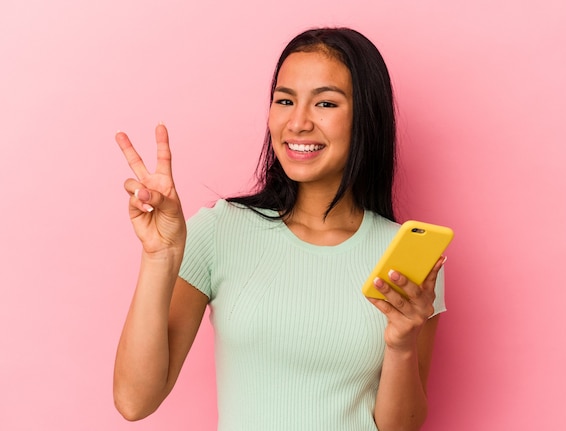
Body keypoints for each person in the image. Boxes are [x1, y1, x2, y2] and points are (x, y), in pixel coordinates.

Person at [113, 27, 446, 431]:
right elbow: (134, 401)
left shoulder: (406, 257)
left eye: (325, 103)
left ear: (366, 117)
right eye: (284, 100)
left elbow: (402, 428)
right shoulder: (221, 231)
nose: (298, 122)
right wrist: (159, 257)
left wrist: (400, 343)